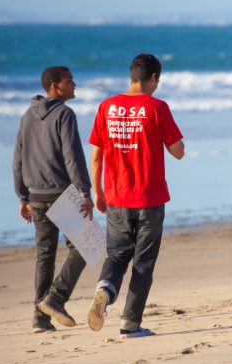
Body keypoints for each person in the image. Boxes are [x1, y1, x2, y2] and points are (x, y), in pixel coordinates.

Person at [87, 53, 185, 339]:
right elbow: (178, 151)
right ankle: (130, 323)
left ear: (132, 75)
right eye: (158, 80)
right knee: (143, 262)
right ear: (153, 77)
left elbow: (96, 156)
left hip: (116, 196)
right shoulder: (157, 107)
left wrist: (98, 191)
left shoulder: (106, 106)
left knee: (117, 255)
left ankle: (104, 290)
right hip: (149, 198)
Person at [13, 66, 94, 333]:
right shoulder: (64, 114)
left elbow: (18, 160)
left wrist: (22, 196)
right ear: (55, 86)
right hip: (61, 193)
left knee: (44, 257)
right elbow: (73, 157)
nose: (75, 85)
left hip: (35, 195)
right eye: (70, 81)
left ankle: (40, 319)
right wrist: (85, 191)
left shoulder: (27, 116)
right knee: (87, 247)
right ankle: (56, 298)